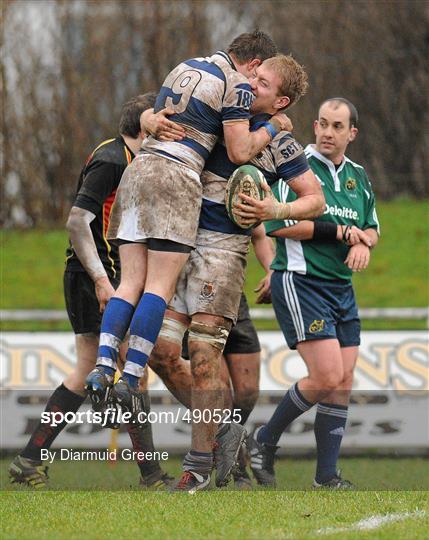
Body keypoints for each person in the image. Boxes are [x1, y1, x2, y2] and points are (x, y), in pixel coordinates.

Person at [85, 31, 290, 423]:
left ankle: (104, 364)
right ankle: (130, 378)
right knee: (158, 287)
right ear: (251, 63)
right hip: (175, 178)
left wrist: (146, 117)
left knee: (129, 283)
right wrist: (275, 125)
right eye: (258, 74)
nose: (255, 83)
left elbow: (147, 115)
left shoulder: (184, 67)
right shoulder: (236, 85)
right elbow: (239, 150)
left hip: (139, 170)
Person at [147, 54, 325, 492]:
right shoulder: (223, 115)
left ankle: (197, 467)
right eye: (253, 73)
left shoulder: (282, 144)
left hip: (223, 251)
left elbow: (315, 200)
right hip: (178, 241)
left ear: (280, 100)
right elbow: (150, 120)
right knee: (162, 353)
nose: (251, 81)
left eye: (261, 82)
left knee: (205, 353)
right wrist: (152, 118)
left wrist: (274, 209)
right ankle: (225, 431)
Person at [9, 94, 172, 489]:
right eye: (160, 117)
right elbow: (77, 222)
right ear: (143, 123)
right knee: (130, 367)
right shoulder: (112, 159)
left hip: (100, 277)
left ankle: (29, 460)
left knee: (90, 370)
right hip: (93, 279)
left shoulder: (132, 161)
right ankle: (151, 475)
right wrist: (102, 280)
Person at [246, 97, 380, 489]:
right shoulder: (296, 168)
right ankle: (265, 439)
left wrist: (362, 244)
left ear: (351, 133)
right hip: (302, 280)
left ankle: (326, 477)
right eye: (322, 123)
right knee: (325, 376)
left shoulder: (358, 175)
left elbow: (371, 227)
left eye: (337, 126)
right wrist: (340, 233)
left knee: (344, 379)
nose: (327, 132)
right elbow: (279, 224)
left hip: (341, 286)